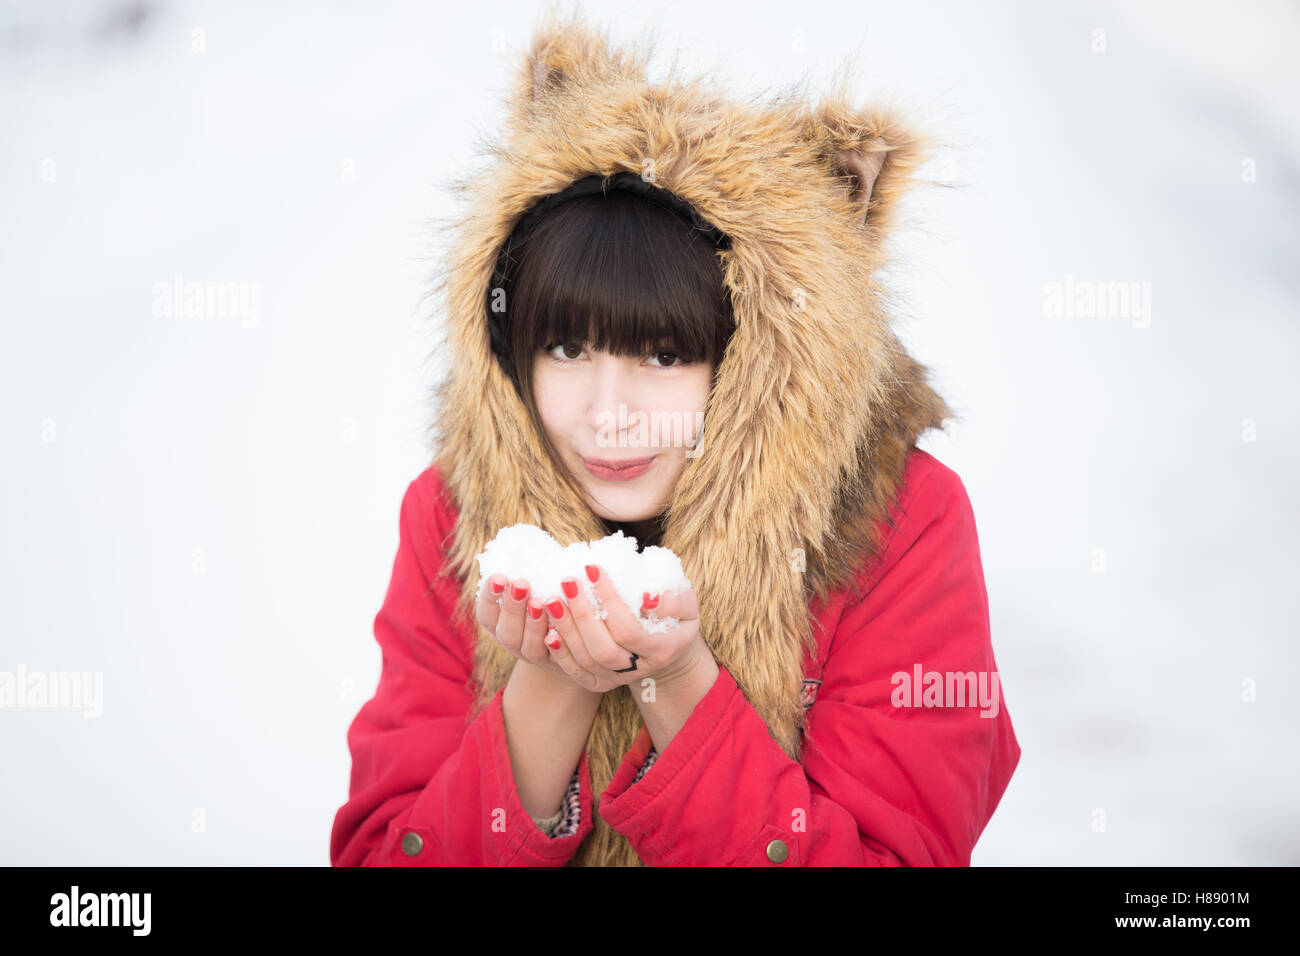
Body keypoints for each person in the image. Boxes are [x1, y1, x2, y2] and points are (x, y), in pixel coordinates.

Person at [330, 12, 1020, 867]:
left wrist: (680, 682)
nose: (608, 412)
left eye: (664, 354)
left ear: (758, 365)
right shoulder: (451, 513)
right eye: (567, 347)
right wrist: (546, 684)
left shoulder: (901, 520)